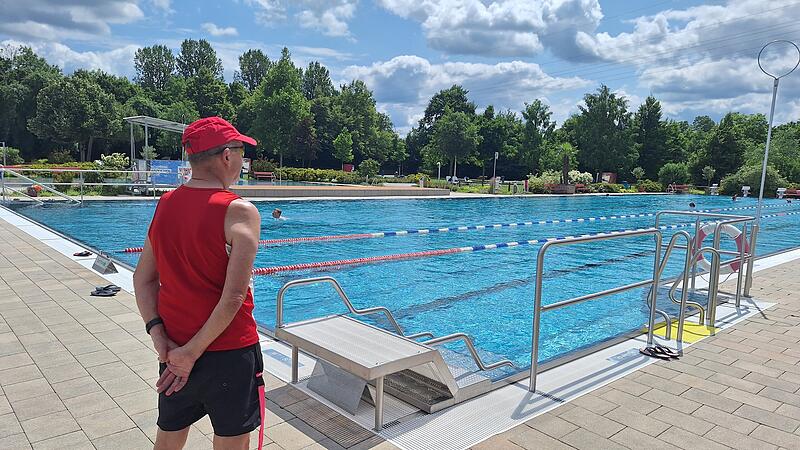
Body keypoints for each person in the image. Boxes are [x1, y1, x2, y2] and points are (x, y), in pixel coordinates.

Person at [134, 117, 264, 450]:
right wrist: (191, 353)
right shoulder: (239, 211)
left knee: (167, 442)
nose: (241, 161)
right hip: (228, 353)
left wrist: (159, 337)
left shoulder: (166, 204)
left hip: (174, 350)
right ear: (226, 156)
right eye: (241, 152)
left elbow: (142, 278)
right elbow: (233, 296)